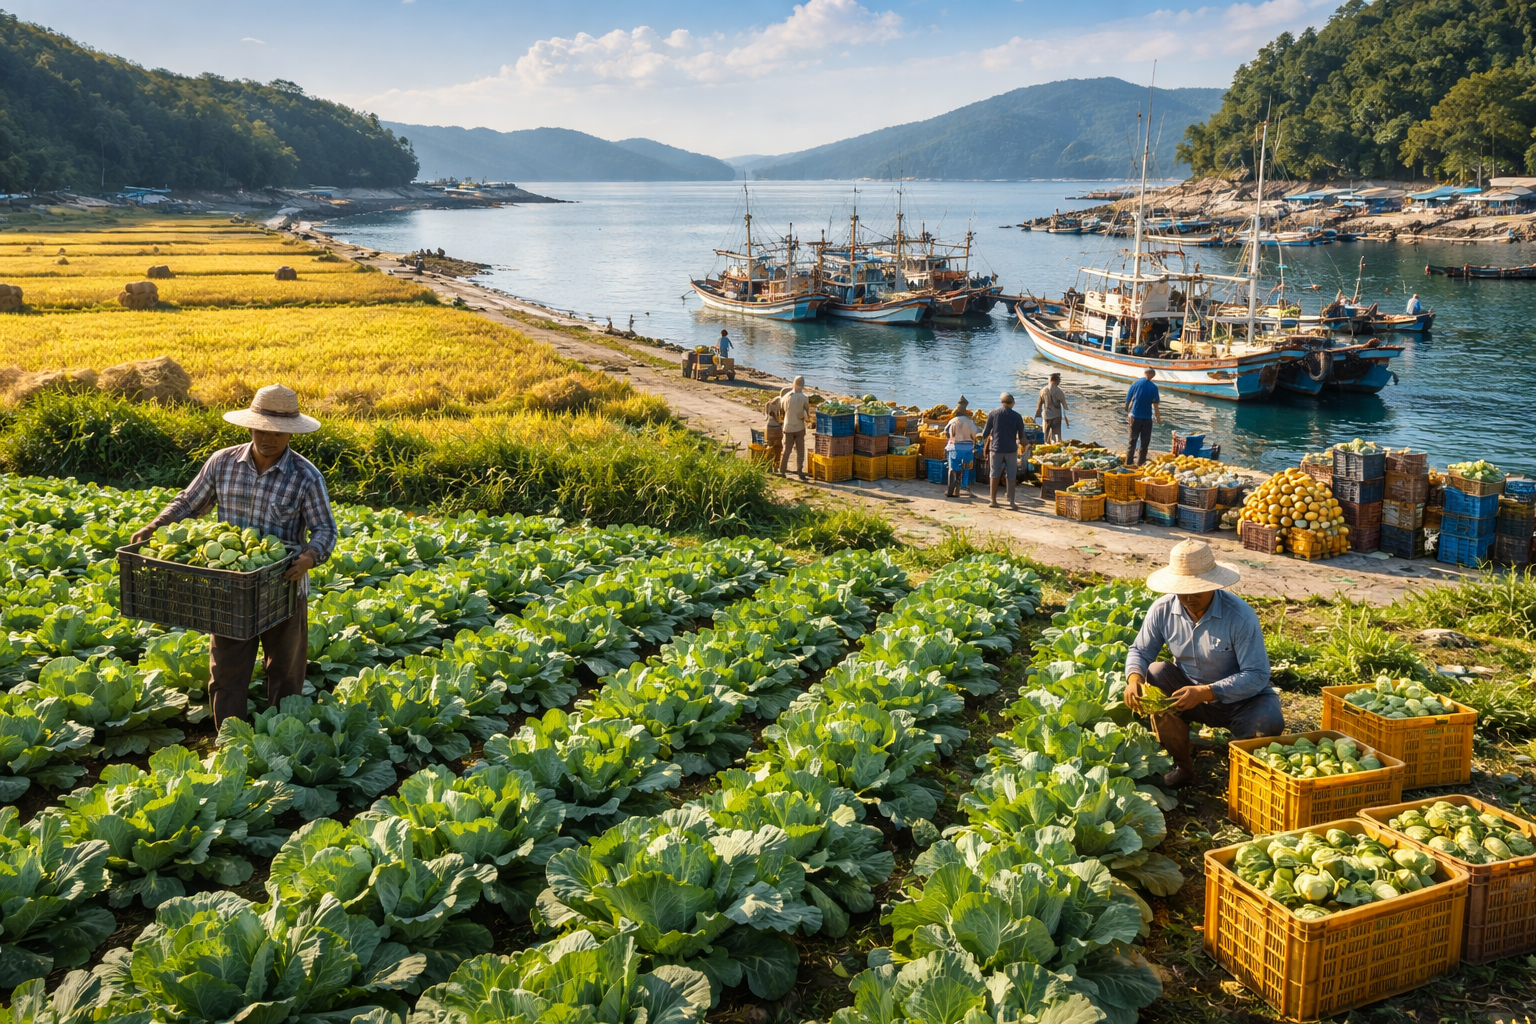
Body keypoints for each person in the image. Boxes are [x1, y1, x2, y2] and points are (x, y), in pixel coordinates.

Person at [131, 385, 337, 730]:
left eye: (276, 432)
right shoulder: (223, 462)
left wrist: (310, 557)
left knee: (285, 670)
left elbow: (325, 530)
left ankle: (283, 737)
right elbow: (189, 502)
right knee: (227, 669)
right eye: (259, 429)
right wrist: (157, 524)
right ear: (249, 426)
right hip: (230, 588)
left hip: (282, 586)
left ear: (290, 433)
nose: (266, 437)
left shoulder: (306, 476)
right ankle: (229, 739)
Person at [1122, 539, 1283, 788]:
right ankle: (1183, 766)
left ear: (1214, 584)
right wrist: (1134, 679)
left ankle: (1241, 774)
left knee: (1269, 721)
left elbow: (1257, 674)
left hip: (1243, 700)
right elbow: (1141, 651)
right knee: (1154, 672)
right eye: (1182, 589)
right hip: (1187, 695)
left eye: (1197, 589)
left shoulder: (1240, 616)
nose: (1189, 597)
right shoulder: (1162, 610)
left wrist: (1207, 692)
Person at [979, 392, 1026, 510]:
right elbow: (1021, 437)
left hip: (996, 448)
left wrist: (988, 436)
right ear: (1013, 403)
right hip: (1011, 449)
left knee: (994, 474)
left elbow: (985, 434)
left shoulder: (993, 414)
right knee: (1011, 475)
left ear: (1002, 402)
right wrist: (1027, 445)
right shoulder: (1017, 416)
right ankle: (1011, 502)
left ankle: (993, 500)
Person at [1124, 368, 1161, 466]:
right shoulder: (1154, 387)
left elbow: (1128, 399)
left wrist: (1127, 411)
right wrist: (1159, 419)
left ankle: (1129, 463)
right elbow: (1156, 404)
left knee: (1132, 442)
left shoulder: (1135, 383)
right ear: (1152, 375)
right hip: (1146, 419)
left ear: (1145, 373)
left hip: (1134, 417)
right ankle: (1141, 463)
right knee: (1144, 443)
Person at [944, 398, 978, 498]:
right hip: (968, 448)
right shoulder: (969, 421)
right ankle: (964, 488)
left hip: (955, 448)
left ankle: (951, 490)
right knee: (966, 468)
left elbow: (946, 432)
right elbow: (975, 433)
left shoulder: (952, 421)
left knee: (952, 468)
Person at [779, 376, 810, 480]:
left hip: (788, 427)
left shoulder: (786, 396)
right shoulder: (805, 398)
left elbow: (782, 411)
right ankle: (800, 472)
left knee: (786, 450)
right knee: (800, 451)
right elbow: (807, 414)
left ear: (794, 384)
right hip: (800, 428)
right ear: (803, 385)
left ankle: (782, 471)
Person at [1035, 373, 1070, 442]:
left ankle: (1046, 446)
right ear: (1055, 380)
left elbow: (1039, 405)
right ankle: (1056, 445)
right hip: (1056, 416)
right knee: (1057, 436)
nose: (1059, 382)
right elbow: (1065, 407)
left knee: (1046, 434)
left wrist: (1037, 414)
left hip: (1046, 415)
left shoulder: (1043, 390)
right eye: (1059, 380)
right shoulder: (1059, 391)